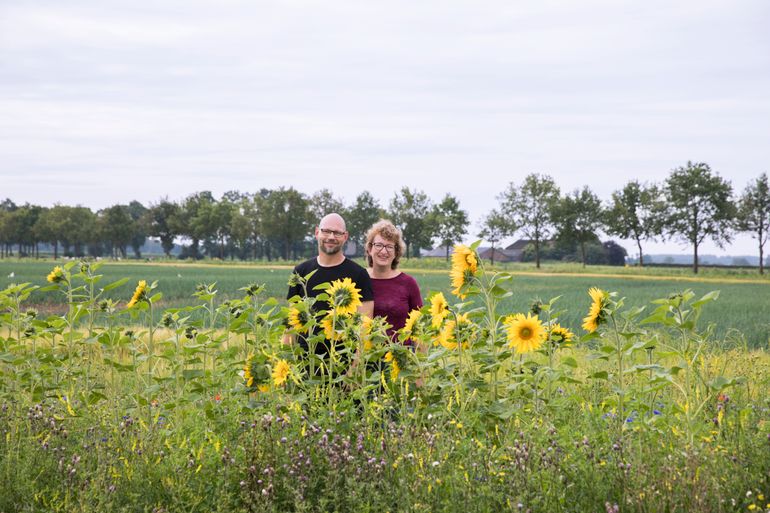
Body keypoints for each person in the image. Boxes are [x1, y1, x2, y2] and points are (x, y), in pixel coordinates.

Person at [285, 213, 374, 350]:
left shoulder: (359, 275)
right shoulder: (301, 272)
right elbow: (290, 324)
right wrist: (287, 356)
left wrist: (354, 369)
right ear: (316, 232)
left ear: (345, 236)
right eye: (326, 231)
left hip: (344, 365)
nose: (331, 237)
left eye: (337, 233)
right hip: (305, 363)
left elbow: (364, 328)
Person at [364, 219, 423, 345]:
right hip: (366, 359)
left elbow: (419, 328)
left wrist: (422, 362)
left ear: (396, 252)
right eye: (379, 245)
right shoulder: (359, 280)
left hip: (400, 359)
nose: (384, 251)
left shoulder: (408, 283)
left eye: (389, 246)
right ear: (370, 248)